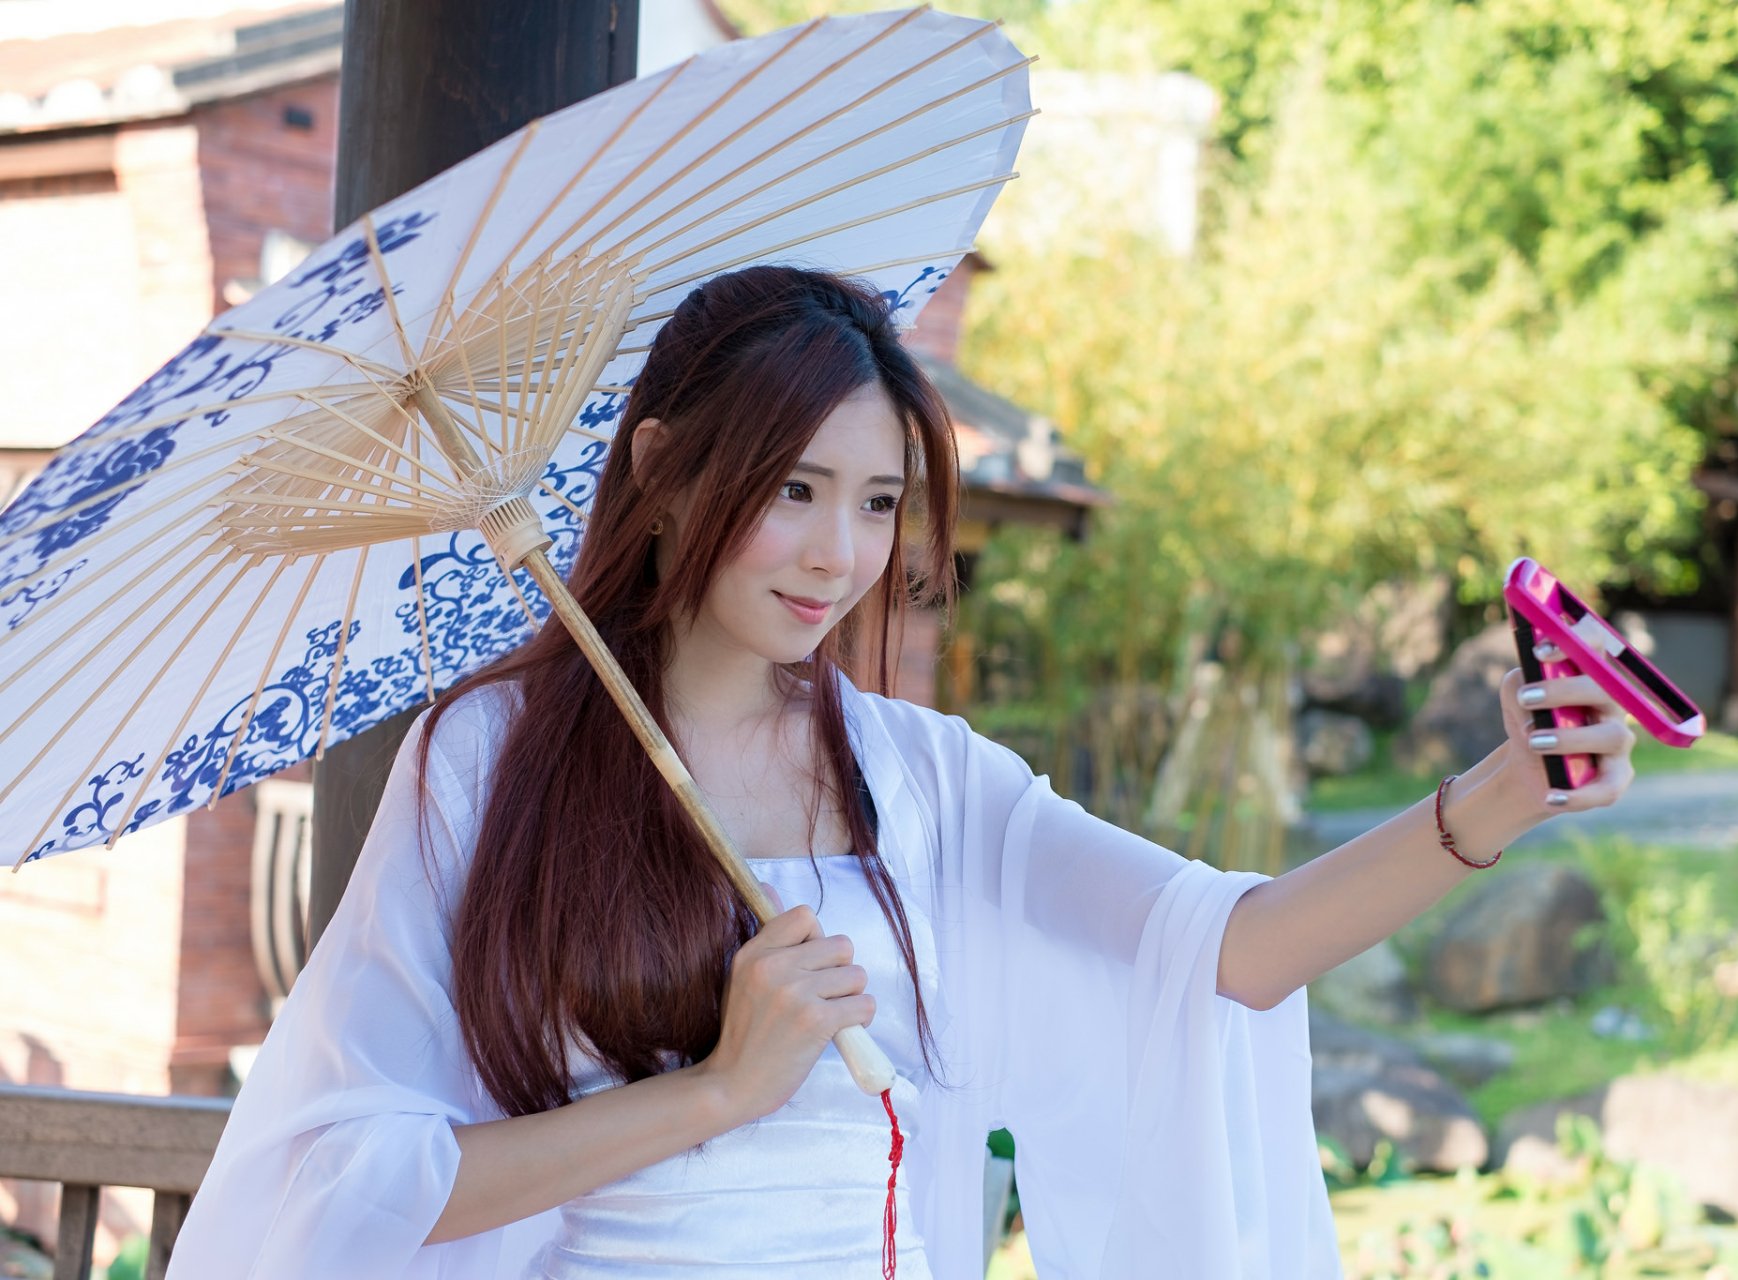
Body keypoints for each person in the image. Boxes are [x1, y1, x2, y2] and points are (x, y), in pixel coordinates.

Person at [169, 265, 1637, 1279]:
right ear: (666, 470)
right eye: (791, 490)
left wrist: (1505, 793)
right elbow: (351, 1183)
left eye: (874, 504)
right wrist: (718, 1091)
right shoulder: (488, 764)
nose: (837, 554)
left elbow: (1230, 953)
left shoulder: (920, 781)